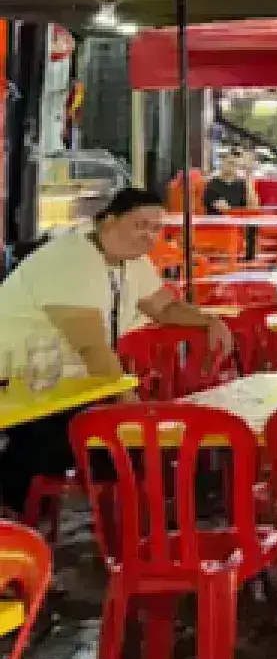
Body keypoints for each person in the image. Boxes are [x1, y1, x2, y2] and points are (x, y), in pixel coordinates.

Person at [0, 188, 234, 512]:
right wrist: (134, 409)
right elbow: (93, 350)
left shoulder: (130, 262)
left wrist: (207, 321)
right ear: (108, 221)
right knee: (84, 446)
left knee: (111, 447)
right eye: (140, 225)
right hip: (21, 385)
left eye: (156, 228)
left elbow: (163, 307)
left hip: (68, 386)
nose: (149, 236)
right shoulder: (70, 260)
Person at [202, 149, 260, 214]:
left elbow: (254, 208)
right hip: (219, 222)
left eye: (237, 165)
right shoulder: (212, 185)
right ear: (222, 163)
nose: (233, 167)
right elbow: (225, 211)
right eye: (230, 163)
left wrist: (248, 178)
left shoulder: (242, 184)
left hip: (239, 221)